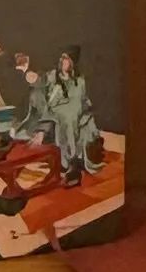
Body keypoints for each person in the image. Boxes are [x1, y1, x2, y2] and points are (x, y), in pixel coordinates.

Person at [41, 44, 102, 182]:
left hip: (75, 109)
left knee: (77, 116)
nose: (64, 62)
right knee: (68, 118)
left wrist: (86, 108)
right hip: (57, 109)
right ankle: (68, 160)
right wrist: (57, 91)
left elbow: (82, 99)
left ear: (72, 62)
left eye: (67, 59)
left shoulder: (79, 80)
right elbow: (49, 101)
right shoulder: (53, 77)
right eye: (62, 58)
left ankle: (74, 160)